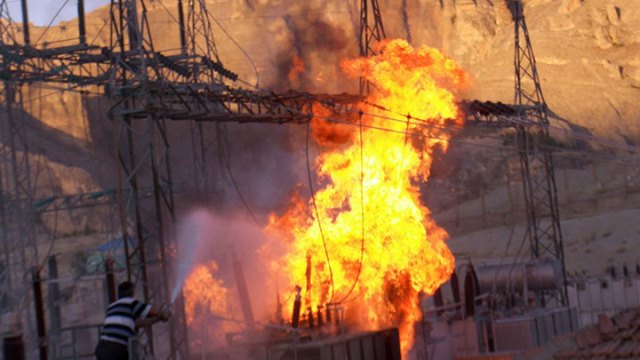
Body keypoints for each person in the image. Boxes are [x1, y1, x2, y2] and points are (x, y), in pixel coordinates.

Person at [94, 281, 171, 359]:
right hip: (117, 349)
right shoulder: (132, 303)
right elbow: (154, 311)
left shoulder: (112, 306)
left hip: (101, 348)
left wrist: (157, 319)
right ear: (132, 293)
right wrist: (164, 314)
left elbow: (138, 323)